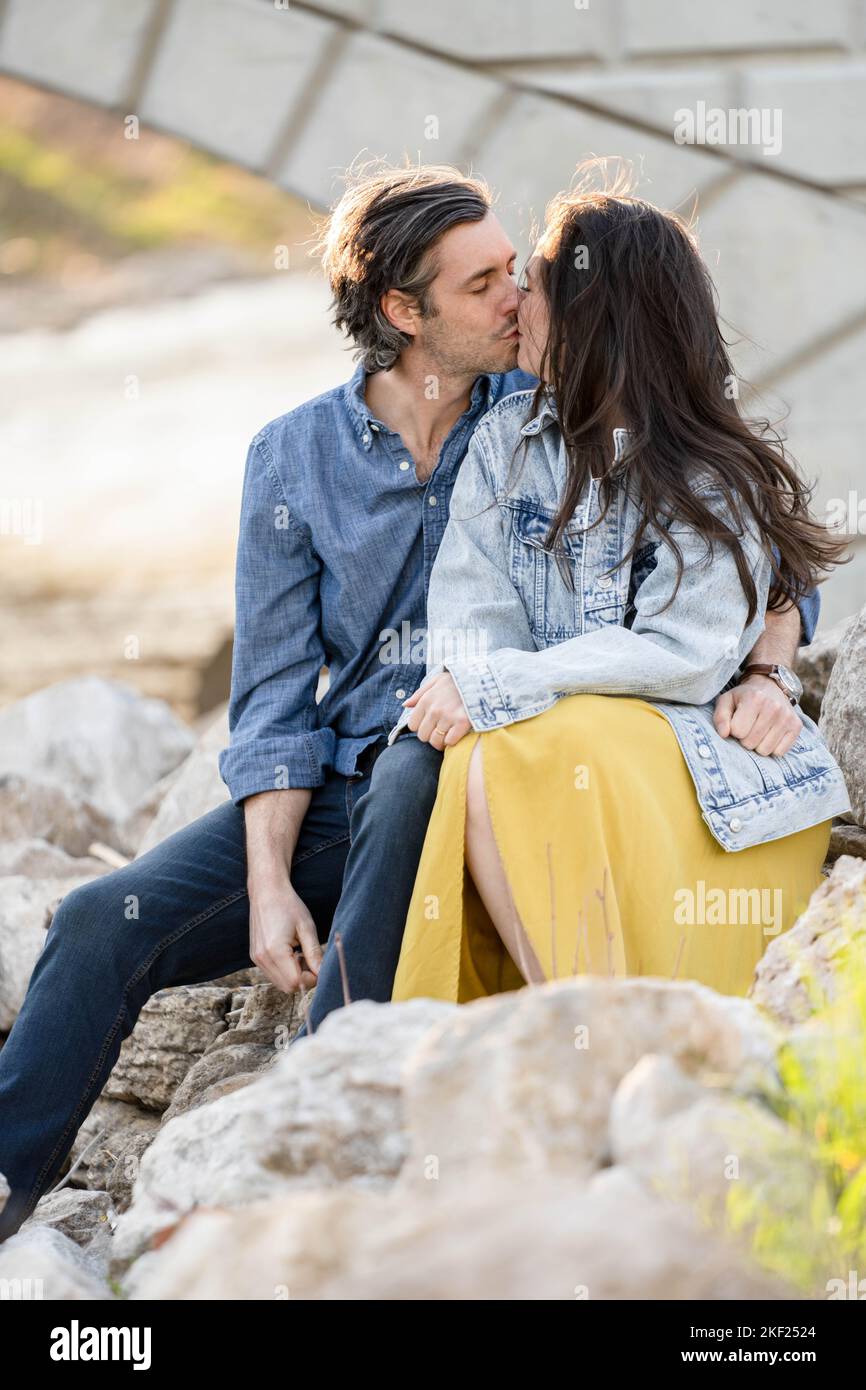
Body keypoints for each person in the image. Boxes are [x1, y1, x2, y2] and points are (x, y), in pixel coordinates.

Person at [0, 164, 822, 1242]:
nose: (517, 299)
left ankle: (322, 1112)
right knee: (98, 921)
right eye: (484, 284)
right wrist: (266, 887)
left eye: (516, 274)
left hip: (501, 761)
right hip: (354, 777)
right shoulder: (294, 458)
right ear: (403, 310)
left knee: (408, 779)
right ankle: (9, 1184)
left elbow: (752, 541)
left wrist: (767, 669)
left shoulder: (556, 390)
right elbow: (273, 704)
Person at [388, 171, 851, 1007]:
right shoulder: (502, 444)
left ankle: (583, 1020)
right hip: (555, 757)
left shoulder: (712, 472)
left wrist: (501, 684)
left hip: (706, 779)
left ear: (592, 317)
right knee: (487, 753)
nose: (516, 301)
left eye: (533, 283)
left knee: (519, 746)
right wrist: (487, 684)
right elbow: (471, 621)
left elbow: (684, 657)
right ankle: (574, 1015)